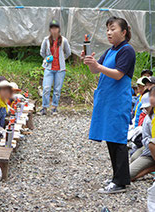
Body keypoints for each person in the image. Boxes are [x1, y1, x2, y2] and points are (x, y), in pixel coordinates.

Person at [83, 16, 135, 193]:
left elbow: (119, 74)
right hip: (108, 101)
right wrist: (91, 63)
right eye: (107, 30)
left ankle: (120, 182)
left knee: (118, 139)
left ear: (124, 32)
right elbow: (95, 71)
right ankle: (117, 177)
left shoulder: (127, 50)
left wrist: (97, 66)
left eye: (113, 29)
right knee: (111, 139)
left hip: (118, 101)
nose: (109, 33)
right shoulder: (111, 50)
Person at [40, 19, 71, 115]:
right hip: (49, 68)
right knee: (46, 88)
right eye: (52, 28)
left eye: (56, 28)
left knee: (57, 89)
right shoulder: (46, 40)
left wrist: (62, 59)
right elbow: (42, 52)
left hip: (60, 69)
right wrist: (47, 58)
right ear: (50, 29)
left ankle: (54, 107)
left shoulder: (64, 40)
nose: (54, 30)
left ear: (59, 29)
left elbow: (68, 52)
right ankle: (44, 107)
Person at [130, 87, 155, 181]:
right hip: (150, 151)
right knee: (133, 159)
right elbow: (146, 140)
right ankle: (149, 169)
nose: (145, 110)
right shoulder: (148, 119)